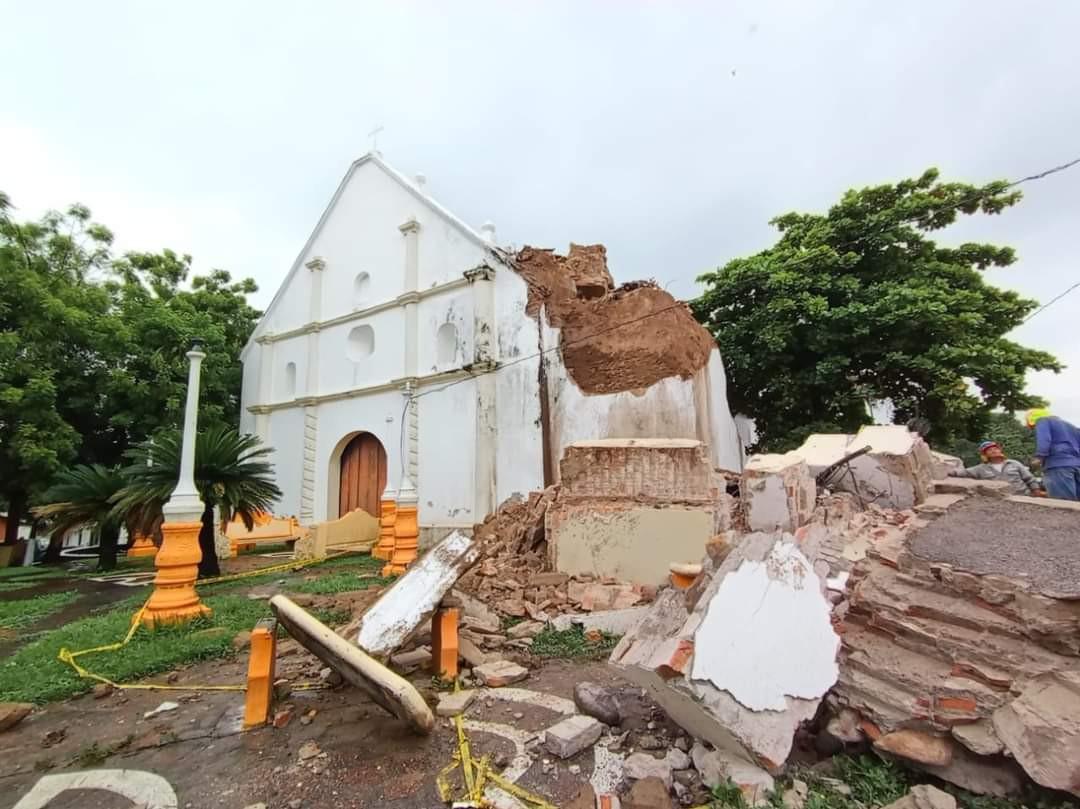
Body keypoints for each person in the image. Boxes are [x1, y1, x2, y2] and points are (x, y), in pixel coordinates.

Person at [949, 440, 1045, 496]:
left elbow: (1029, 479)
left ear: (1000, 450)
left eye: (995, 448)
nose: (994, 451)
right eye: (989, 450)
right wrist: (949, 472)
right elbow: (964, 472)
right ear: (985, 455)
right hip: (999, 499)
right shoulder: (980, 468)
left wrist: (1036, 491)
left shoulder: (1014, 463)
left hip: (1023, 496)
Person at [1028, 409, 1080, 501]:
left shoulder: (1042, 421)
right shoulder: (1071, 427)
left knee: (1063, 504)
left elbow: (1044, 440)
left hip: (1058, 465)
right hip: (1077, 465)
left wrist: (1039, 458)